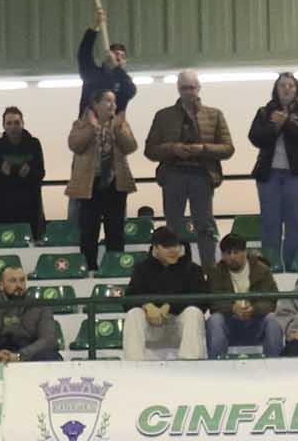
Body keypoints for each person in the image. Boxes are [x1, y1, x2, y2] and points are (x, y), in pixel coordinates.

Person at [144, 70, 234, 253]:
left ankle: (209, 271)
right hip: (173, 173)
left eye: (192, 88)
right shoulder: (163, 116)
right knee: (172, 227)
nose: (189, 92)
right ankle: (173, 270)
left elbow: (228, 148)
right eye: (184, 88)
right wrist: (172, 149)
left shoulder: (215, 115)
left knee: (205, 226)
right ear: (178, 89)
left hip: (202, 174)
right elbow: (150, 150)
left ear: (199, 88)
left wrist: (203, 149)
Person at [240, 71, 298, 272]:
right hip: (269, 174)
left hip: (297, 175)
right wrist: (275, 126)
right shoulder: (264, 111)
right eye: (282, 85)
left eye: (290, 85)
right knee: (270, 222)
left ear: (297, 89)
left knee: (296, 222)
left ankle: (294, 266)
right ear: (276, 89)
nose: (286, 89)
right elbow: (255, 137)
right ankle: (270, 266)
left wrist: (287, 122)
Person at [66, 90, 138, 267]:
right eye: (107, 101)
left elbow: (130, 146)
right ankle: (89, 267)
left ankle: (115, 266)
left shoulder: (120, 123)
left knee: (115, 231)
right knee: (89, 231)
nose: (113, 105)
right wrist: (92, 128)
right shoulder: (81, 124)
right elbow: (75, 145)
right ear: (96, 104)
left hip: (115, 184)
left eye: (114, 101)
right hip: (91, 184)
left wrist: (119, 128)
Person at [120, 224, 205, 362]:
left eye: (176, 246)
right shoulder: (141, 268)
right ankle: (133, 367)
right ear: (156, 247)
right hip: (153, 327)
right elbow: (129, 298)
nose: (174, 251)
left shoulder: (193, 269)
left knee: (193, 312)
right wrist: (147, 305)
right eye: (167, 247)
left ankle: (190, 364)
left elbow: (201, 301)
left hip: (179, 327)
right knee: (134, 314)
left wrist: (169, 306)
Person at [201, 232, 282, 359]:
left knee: (273, 319)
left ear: (245, 252)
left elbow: (271, 300)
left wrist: (254, 308)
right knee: (215, 320)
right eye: (228, 253)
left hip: (256, 321)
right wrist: (233, 308)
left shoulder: (262, 270)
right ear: (222, 255)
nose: (232, 257)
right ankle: (216, 366)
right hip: (229, 322)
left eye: (236, 252)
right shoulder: (215, 272)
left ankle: (274, 363)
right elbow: (213, 302)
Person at [0, 261, 61, 363]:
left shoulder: (40, 306)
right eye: (12, 281)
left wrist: (20, 356)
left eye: (22, 280)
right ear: (1, 285)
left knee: (51, 357)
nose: (19, 285)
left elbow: (49, 339)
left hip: (30, 352)